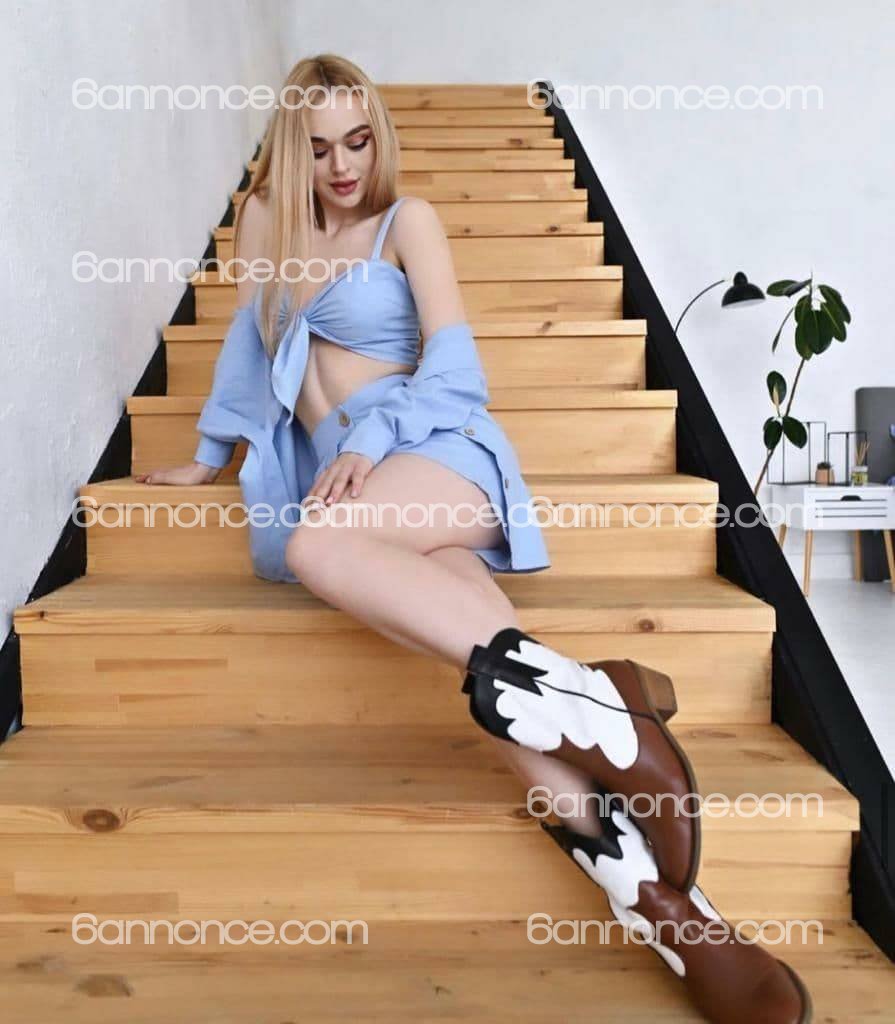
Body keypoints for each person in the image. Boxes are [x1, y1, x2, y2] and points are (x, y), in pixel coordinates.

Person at [135, 53, 811, 1024]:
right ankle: (671, 909)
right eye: (319, 148)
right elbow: (249, 351)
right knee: (495, 693)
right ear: (289, 149)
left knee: (316, 550)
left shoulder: (406, 222)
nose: (342, 165)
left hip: (430, 456)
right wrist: (208, 458)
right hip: (358, 491)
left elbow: (456, 372)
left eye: (358, 140)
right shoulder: (262, 225)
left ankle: (602, 708)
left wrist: (364, 442)